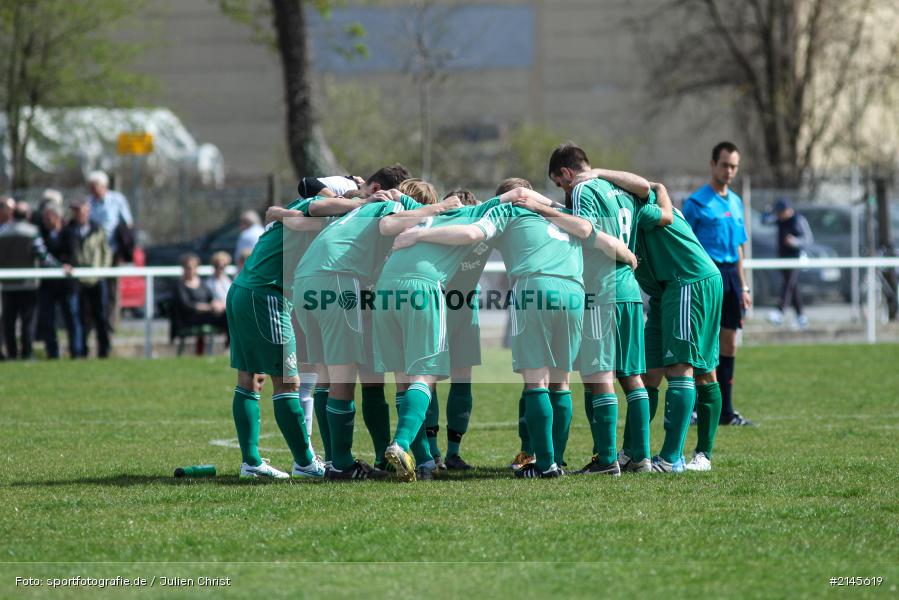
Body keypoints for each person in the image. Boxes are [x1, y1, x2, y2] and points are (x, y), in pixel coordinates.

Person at [292, 168, 459, 481]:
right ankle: (346, 464)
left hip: (305, 280)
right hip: (339, 280)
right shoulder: (391, 207)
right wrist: (439, 208)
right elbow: (390, 225)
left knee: (327, 375)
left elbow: (310, 202)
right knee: (349, 377)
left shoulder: (361, 208)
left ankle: (338, 460)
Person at [531, 143, 671, 475]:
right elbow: (652, 197)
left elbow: (586, 231)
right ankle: (641, 457)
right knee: (632, 376)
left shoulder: (582, 189)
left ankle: (607, 460)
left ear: (567, 173)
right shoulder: (621, 191)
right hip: (630, 291)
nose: (564, 192)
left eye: (560, 184)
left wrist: (545, 212)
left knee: (598, 375)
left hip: (601, 289)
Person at [226, 184, 373, 480]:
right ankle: (305, 464)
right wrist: (362, 204)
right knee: (288, 383)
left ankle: (252, 463)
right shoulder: (316, 207)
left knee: (251, 378)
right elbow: (315, 205)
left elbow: (278, 213)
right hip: (267, 295)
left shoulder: (299, 213)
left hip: (246, 291)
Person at [636, 183, 725, 472]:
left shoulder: (642, 209)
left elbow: (659, 202)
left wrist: (599, 172)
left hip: (687, 282)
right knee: (649, 373)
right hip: (664, 291)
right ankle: (635, 452)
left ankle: (680, 457)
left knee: (691, 369)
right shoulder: (621, 209)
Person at [683, 141, 754, 426]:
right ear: (713, 164)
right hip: (706, 277)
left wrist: (744, 286)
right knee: (701, 344)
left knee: (729, 343)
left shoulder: (735, 202)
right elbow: (685, 245)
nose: (729, 171)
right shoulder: (696, 203)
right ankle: (694, 409)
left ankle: (726, 411)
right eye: (725, 165)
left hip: (731, 278)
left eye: (734, 166)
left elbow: (738, 247)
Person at [0, 201, 56, 359]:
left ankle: (12, 353)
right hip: (28, 283)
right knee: (28, 321)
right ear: (28, 215)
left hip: (7, 284)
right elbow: (43, 255)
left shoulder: (2, 231)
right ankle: (27, 352)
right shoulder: (32, 232)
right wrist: (59, 266)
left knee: (9, 321)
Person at [68, 199, 113, 358]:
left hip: (96, 279)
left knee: (101, 316)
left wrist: (102, 270)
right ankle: (81, 351)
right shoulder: (69, 230)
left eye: (81, 211)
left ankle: (104, 351)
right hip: (77, 280)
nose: (79, 214)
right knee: (79, 318)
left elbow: (106, 252)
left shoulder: (97, 229)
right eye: (76, 211)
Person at [38, 203, 83, 359]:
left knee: (72, 318)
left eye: (47, 217)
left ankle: (76, 352)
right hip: (48, 284)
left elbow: (72, 254)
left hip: (67, 285)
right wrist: (59, 263)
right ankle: (52, 353)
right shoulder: (41, 234)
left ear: (56, 217)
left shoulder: (69, 232)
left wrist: (64, 263)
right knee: (48, 320)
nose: (45, 220)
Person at [765, 198, 813, 329]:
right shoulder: (780, 220)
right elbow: (764, 221)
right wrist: (767, 211)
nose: (779, 215)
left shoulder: (798, 220)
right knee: (792, 286)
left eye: (781, 212)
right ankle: (801, 317)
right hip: (783, 258)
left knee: (788, 285)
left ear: (788, 210)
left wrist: (794, 242)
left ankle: (779, 312)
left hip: (796, 258)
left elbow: (808, 239)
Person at [175, 254, 227, 331]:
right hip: (190, 318)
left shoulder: (201, 283)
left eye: (193, 267)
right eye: (188, 267)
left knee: (228, 315)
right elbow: (186, 305)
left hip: (206, 314)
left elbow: (210, 298)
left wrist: (217, 305)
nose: (190, 270)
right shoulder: (180, 285)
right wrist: (206, 307)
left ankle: (233, 338)